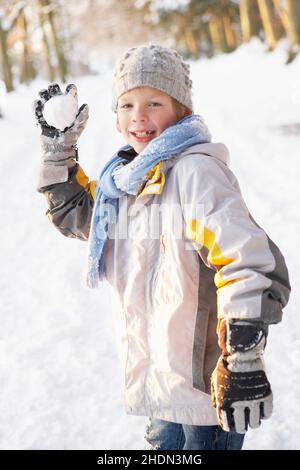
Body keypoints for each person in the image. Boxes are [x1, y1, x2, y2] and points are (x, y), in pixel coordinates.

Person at [34, 44, 291, 450]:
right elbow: (81, 215)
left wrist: (242, 356)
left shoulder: (195, 173)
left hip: (202, 392)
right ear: (116, 117)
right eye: (127, 103)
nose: (139, 115)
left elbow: (247, 261)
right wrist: (58, 152)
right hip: (160, 385)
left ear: (182, 112)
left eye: (154, 102)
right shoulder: (128, 183)